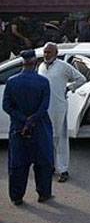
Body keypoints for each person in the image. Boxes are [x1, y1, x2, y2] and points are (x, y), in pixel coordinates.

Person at [3, 50, 54, 205]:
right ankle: (44, 194)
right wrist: (31, 120)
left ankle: (17, 197)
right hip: (39, 128)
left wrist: (23, 120)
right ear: (35, 63)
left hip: (18, 129)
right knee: (43, 163)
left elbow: (7, 106)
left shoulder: (12, 81)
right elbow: (44, 107)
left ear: (22, 63)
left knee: (18, 164)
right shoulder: (43, 82)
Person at [38, 43, 86, 183]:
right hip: (44, 108)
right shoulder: (41, 67)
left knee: (60, 138)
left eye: (49, 52)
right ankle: (51, 165)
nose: (46, 54)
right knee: (48, 138)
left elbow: (81, 78)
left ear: (56, 52)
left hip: (58, 107)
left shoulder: (63, 66)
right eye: (45, 52)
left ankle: (63, 169)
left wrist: (69, 88)